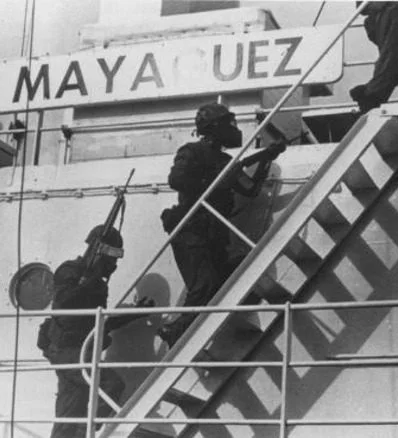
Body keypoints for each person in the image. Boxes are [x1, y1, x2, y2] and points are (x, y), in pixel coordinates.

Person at [158, 103, 285, 348]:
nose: (234, 129)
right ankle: (175, 333)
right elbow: (177, 179)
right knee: (203, 286)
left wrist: (266, 159)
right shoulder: (192, 152)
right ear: (214, 127)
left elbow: (249, 189)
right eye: (229, 123)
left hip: (215, 234)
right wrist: (217, 180)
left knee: (234, 271)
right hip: (191, 229)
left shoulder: (227, 160)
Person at [37, 225, 154, 437]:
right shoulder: (70, 271)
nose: (115, 265)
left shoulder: (98, 284)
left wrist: (136, 313)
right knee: (111, 384)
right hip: (66, 351)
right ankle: (86, 433)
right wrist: (91, 279)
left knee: (70, 412)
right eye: (113, 258)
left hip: (81, 351)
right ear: (100, 252)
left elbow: (98, 323)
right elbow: (63, 301)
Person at [349, 1, 398, 114]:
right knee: (390, 64)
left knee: (388, 67)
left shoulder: (373, 21)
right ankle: (369, 93)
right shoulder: (383, 16)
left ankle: (368, 92)